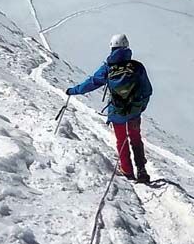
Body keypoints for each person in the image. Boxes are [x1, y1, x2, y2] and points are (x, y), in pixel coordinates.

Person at [65, 33, 153, 183]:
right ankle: (141, 169)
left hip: (117, 111)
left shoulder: (108, 67)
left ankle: (126, 169)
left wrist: (74, 90)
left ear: (112, 47)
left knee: (121, 139)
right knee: (135, 138)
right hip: (134, 111)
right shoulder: (137, 67)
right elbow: (147, 90)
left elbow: (92, 83)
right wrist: (140, 107)